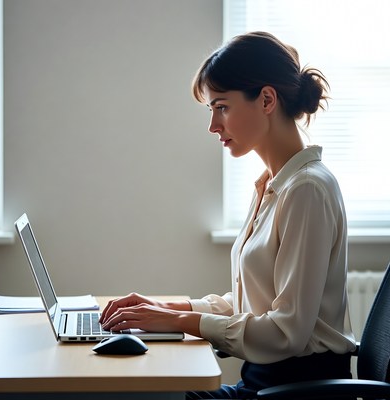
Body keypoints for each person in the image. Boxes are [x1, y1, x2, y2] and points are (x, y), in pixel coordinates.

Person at [100, 31, 356, 399]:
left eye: (222, 107)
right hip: (267, 384)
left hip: (297, 391)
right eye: (211, 110)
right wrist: (164, 308)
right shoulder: (273, 184)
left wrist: (179, 321)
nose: (213, 125)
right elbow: (255, 303)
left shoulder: (306, 190)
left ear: (267, 99)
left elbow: (286, 331)